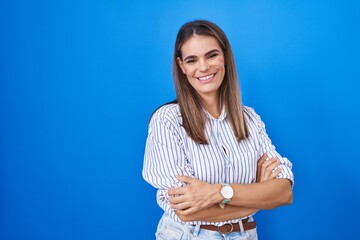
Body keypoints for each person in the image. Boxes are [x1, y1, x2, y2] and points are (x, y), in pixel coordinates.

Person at [142, 20, 294, 240]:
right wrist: (257, 199)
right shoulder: (167, 121)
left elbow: (284, 192)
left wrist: (217, 192)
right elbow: (186, 212)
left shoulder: (249, 119)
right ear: (181, 66)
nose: (203, 67)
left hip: (246, 235)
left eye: (211, 55)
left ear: (225, 57)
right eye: (192, 60)